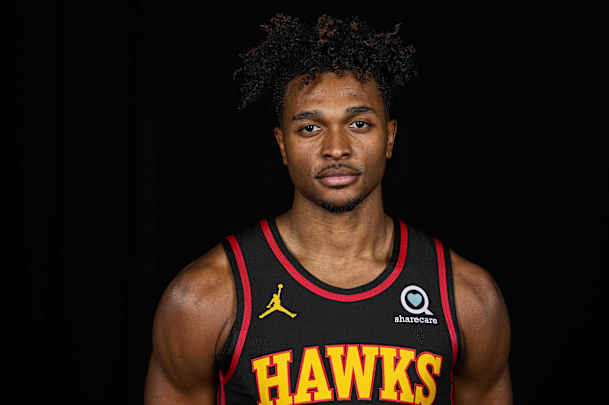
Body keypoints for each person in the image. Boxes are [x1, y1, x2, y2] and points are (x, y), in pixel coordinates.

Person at [145, 13, 511, 405]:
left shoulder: (467, 298)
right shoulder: (204, 298)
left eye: (358, 124)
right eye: (310, 128)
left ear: (389, 137)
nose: (336, 148)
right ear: (282, 144)